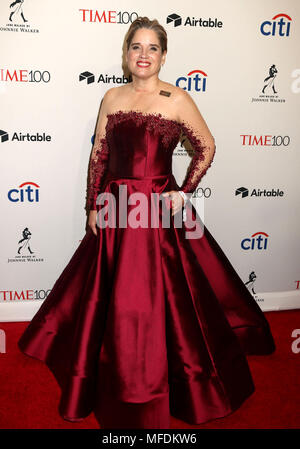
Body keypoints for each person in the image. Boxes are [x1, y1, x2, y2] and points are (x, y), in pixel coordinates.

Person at [18, 16, 276, 429]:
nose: (143, 55)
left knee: (165, 295)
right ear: (126, 53)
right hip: (117, 207)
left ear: (164, 55)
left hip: (157, 210)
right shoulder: (112, 98)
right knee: (109, 293)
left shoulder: (176, 99)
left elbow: (206, 146)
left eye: (152, 48)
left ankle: (172, 377)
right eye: (136, 47)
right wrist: (92, 205)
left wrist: (184, 190)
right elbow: (99, 154)